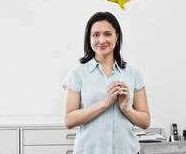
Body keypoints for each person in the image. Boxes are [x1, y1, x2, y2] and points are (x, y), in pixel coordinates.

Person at [63, 12, 150, 154]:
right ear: (89, 38)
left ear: (117, 37)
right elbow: (68, 120)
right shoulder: (77, 74)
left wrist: (126, 108)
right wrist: (105, 103)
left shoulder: (133, 74)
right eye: (96, 35)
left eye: (107, 34)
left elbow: (145, 121)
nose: (101, 40)